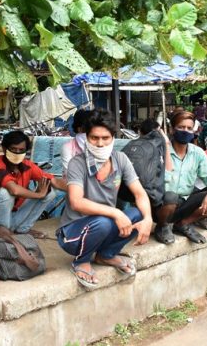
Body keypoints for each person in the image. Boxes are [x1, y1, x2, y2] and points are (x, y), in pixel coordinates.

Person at [57, 110, 153, 288]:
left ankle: (106, 255)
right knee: (104, 222)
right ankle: (81, 261)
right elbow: (76, 202)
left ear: (113, 138)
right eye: (94, 138)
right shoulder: (77, 163)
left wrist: (148, 219)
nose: (100, 143)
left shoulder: (120, 159)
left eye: (105, 138)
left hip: (104, 224)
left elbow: (140, 193)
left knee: (138, 213)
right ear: (86, 137)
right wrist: (115, 212)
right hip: (72, 234)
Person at [0, 131, 66, 238]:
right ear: (5, 149)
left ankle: (22, 229)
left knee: (50, 191)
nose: (17, 153)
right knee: (5, 193)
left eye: (21, 150)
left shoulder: (26, 165)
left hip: (12, 215)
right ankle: (4, 234)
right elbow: (14, 190)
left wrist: (78, 192)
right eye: (13, 149)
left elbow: (54, 181)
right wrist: (38, 195)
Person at [154, 111, 207, 244]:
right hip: (161, 205)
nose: (185, 131)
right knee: (171, 196)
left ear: (194, 131)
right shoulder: (159, 151)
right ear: (171, 129)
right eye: (181, 127)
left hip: (182, 203)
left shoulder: (197, 152)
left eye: (189, 128)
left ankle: (182, 223)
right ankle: (162, 226)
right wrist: (167, 146)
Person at [61, 109, 92, 176]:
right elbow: (70, 174)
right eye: (88, 128)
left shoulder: (101, 144)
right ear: (79, 129)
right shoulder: (68, 148)